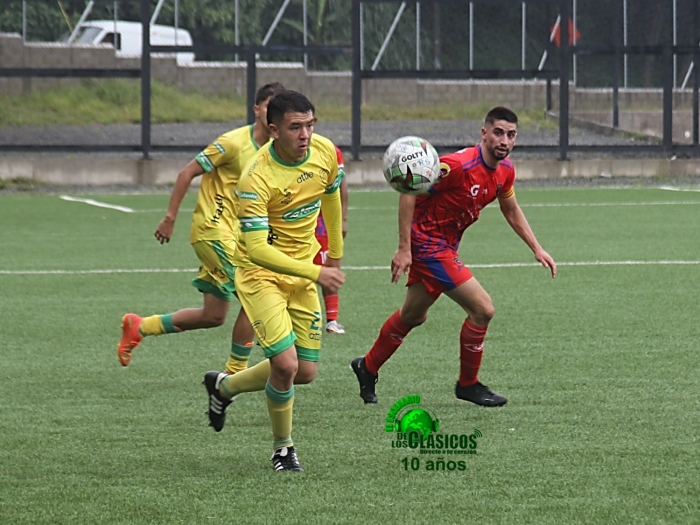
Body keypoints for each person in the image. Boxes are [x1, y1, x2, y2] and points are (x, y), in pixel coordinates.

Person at [350, 106, 557, 407]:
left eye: (511, 135)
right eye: (498, 132)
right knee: (483, 309)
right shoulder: (456, 166)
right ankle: (468, 384)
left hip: (446, 245)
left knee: (413, 316)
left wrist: (536, 247)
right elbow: (409, 190)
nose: (504, 140)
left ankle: (366, 367)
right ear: (484, 133)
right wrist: (404, 248)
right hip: (428, 244)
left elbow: (510, 208)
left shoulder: (505, 171)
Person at [202, 90, 345, 472]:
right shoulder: (255, 177)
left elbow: (331, 195)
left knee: (306, 372)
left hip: (302, 275)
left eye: (310, 125)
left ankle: (224, 387)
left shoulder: (325, 152)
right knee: (284, 365)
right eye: (295, 127)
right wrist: (320, 271)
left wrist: (336, 251)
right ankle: (284, 449)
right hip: (261, 275)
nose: (305, 135)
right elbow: (258, 250)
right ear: (273, 129)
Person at [117, 82, 286, 373]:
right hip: (213, 230)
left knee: (213, 315)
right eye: (268, 106)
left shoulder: (273, 151)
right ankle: (232, 376)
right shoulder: (232, 143)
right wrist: (170, 217)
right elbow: (187, 172)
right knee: (255, 294)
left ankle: (140, 326)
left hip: (236, 237)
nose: (273, 113)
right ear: (256, 109)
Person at [314, 145, 349, 334]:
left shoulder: (330, 150)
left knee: (330, 266)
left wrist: (342, 219)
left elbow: (341, 184)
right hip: (296, 219)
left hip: (322, 220)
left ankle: (332, 320)